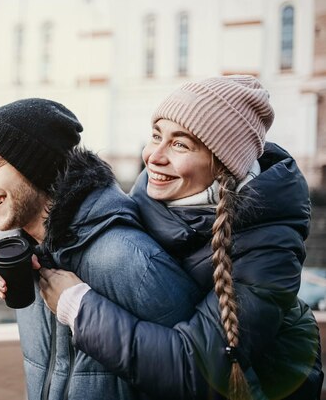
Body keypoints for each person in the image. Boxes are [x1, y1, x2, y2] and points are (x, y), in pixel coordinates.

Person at [36, 76, 323, 399]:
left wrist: (78, 307)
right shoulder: (152, 195)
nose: (153, 156)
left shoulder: (269, 245)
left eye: (180, 144)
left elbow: (201, 371)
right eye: (156, 136)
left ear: (223, 165)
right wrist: (16, 251)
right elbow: (87, 231)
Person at [0, 97, 205, 400]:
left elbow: (206, 377)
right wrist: (6, 249)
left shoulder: (127, 258)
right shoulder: (22, 254)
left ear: (37, 167)